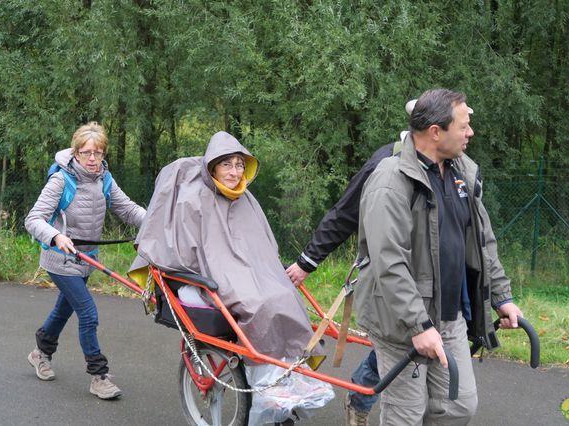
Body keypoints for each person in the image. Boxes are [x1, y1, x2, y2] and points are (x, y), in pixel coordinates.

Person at [130, 131, 332, 424]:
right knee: (260, 305)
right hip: (216, 276)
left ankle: (287, 380)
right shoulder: (192, 199)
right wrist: (220, 273)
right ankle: (268, 389)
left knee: (286, 297)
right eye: (227, 165)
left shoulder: (246, 199)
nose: (235, 172)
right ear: (212, 167)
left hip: (250, 272)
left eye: (239, 165)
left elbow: (262, 246)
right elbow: (186, 252)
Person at [356, 88, 523, 425]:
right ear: (435, 132)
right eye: (463, 126)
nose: (470, 133)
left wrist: (502, 297)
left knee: (458, 406)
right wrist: (418, 325)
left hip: (450, 316)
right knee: (406, 414)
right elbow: (389, 263)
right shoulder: (390, 182)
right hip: (402, 324)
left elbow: (482, 241)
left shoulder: (462, 174)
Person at [286, 102, 416, 426]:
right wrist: (306, 263)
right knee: (402, 344)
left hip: (428, 277)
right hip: (390, 276)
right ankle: (361, 396)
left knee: (417, 345)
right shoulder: (387, 162)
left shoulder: (449, 169)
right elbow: (344, 214)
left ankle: (369, 395)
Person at [25, 122, 146, 399]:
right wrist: (56, 237)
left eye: (98, 153)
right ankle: (98, 375)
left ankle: (39, 352)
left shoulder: (104, 178)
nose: (92, 159)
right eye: (86, 153)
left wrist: (155, 221)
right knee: (88, 314)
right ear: (76, 152)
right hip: (60, 259)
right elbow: (33, 219)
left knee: (63, 311)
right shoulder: (61, 180)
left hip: (86, 259)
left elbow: (127, 209)